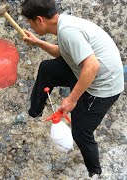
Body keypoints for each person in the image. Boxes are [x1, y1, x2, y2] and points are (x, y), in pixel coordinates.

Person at [21, 0, 124, 177]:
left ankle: (95, 173)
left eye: (29, 23)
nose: (29, 26)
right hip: (84, 72)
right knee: (48, 68)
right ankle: (35, 111)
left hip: (102, 87)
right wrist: (37, 41)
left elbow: (92, 67)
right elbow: (61, 53)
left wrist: (71, 99)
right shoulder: (63, 24)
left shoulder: (68, 31)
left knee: (80, 132)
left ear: (39, 19)